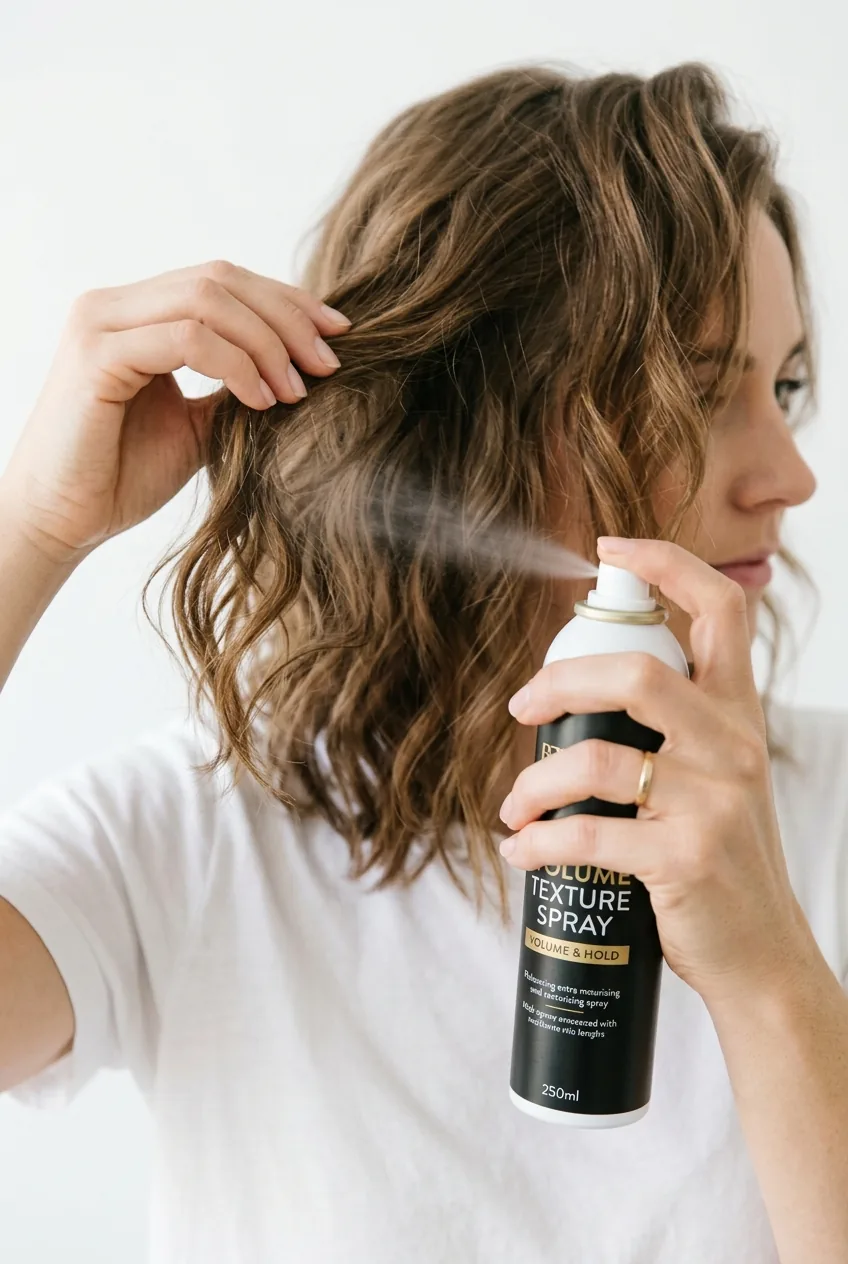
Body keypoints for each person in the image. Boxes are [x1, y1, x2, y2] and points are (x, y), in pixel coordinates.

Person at [0, 58, 846, 1264]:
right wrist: (29, 529)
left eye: (786, 384)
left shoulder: (832, 820)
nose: (790, 475)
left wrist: (771, 978)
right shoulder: (192, 839)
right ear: (470, 435)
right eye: (702, 394)